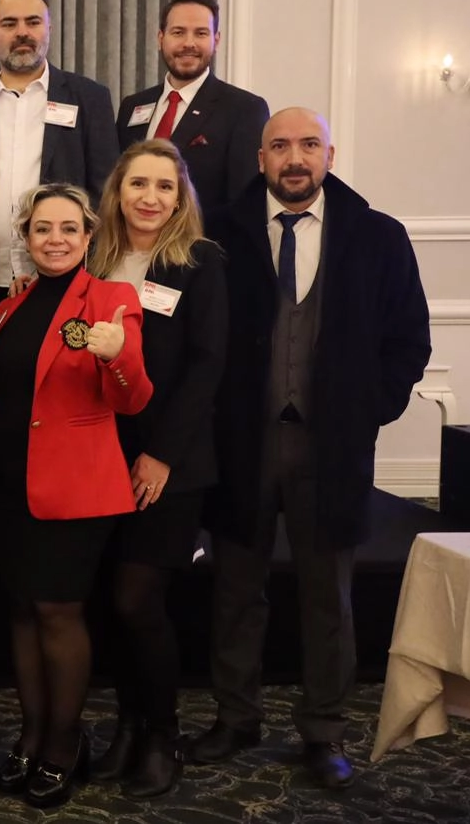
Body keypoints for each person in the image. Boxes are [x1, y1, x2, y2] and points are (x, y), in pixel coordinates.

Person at [185, 108, 431, 788]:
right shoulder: (217, 234)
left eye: (308, 145)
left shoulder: (377, 236)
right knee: (236, 592)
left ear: (329, 154)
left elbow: (409, 336)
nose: (294, 158)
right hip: (242, 443)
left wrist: (369, 409)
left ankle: (324, 730)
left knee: (329, 598)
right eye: (279, 146)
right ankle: (236, 717)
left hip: (331, 448)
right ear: (260, 158)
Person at [0, 183, 151, 810]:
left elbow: (133, 398)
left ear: (88, 235)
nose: (55, 239)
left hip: (73, 488)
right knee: (22, 609)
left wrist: (116, 356)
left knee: (57, 611)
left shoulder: (111, 300)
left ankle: (63, 743)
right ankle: (30, 734)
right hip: (9, 484)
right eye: (42, 228)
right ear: (25, 237)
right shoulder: (9, 306)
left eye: (68, 228)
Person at [80, 140, 226, 798]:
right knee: (110, 601)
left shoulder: (199, 261)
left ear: (179, 197)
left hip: (170, 460)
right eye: (137, 183)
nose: (149, 197)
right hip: (101, 454)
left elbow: (206, 366)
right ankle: (128, 726)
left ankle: (162, 735)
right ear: (117, 190)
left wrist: (162, 453)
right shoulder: (96, 259)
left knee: (139, 599)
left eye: (164, 186)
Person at [0, 0, 119, 322]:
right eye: (9, 24)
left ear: (49, 29)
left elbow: (105, 190)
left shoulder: (89, 97)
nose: (22, 32)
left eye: (33, 22)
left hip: (60, 278)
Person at [114, 0, 268, 215]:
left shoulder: (244, 109)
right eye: (178, 32)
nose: (189, 43)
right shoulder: (132, 106)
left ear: (216, 41)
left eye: (201, 33)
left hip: (201, 236)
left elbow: (244, 202)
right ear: (160, 39)